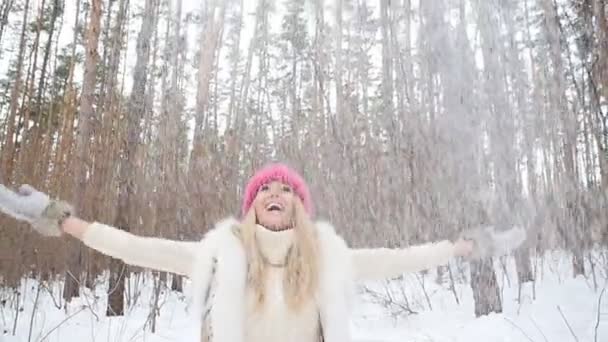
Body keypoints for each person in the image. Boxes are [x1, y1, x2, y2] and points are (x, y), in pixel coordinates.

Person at [0, 163, 499, 342]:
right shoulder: (223, 254)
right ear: (252, 205)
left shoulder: (327, 257)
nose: (275, 193)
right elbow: (135, 248)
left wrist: (458, 247)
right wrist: (60, 218)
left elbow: (396, 259)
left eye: (286, 188)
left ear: (299, 207)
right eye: (265, 189)